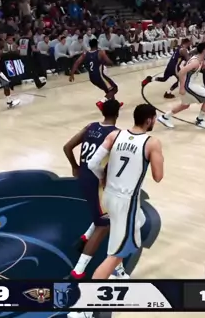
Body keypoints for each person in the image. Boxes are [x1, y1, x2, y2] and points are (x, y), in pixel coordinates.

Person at [71, 104, 164, 318]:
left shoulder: (115, 135)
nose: (155, 121)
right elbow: (158, 176)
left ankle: (119, 271)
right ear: (149, 120)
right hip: (126, 202)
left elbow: (93, 163)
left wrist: (103, 177)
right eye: (154, 118)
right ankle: (83, 309)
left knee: (138, 225)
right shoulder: (152, 143)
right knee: (115, 254)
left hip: (108, 196)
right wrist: (157, 158)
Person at [61, 99, 128, 279]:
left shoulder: (90, 127)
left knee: (105, 211)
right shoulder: (116, 135)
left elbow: (67, 147)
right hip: (97, 182)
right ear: (118, 113)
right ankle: (78, 270)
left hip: (83, 177)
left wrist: (75, 166)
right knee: (104, 224)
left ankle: (86, 236)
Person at [157, 42, 205, 129]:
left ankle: (165, 117)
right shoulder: (195, 62)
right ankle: (200, 120)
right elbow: (181, 72)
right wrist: (182, 87)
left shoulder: (201, 60)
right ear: (204, 50)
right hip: (187, 85)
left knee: (185, 105)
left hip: (189, 84)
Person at [69, 38, 119, 108]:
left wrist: (71, 74)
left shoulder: (85, 53)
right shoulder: (100, 52)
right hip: (100, 76)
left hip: (92, 77)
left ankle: (115, 104)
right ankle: (101, 102)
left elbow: (77, 63)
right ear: (97, 44)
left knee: (108, 90)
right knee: (114, 89)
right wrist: (112, 62)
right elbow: (109, 62)